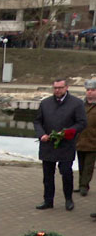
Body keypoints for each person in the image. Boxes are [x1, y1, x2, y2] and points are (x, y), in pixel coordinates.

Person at [33, 78, 87, 211]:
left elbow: (81, 123)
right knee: (48, 174)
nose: (57, 90)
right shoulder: (45, 103)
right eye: (55, 88)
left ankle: (68, 200)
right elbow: (37, 121)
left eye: (60, 88)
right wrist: (41, 135)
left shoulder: (76, 103)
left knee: (66, 173)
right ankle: (48, 200)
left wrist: (67, 132)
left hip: (66, 144)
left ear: (66, 87)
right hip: (48, 144)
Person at [76, 79, 96, 197]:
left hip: (93, 141)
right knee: (81, 165)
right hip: (80, 141)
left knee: (88, 166)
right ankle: (80, 184)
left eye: (92, 90)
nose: (90, 92)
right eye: (88, 90)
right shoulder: (80, 105)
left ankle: (84, 186)